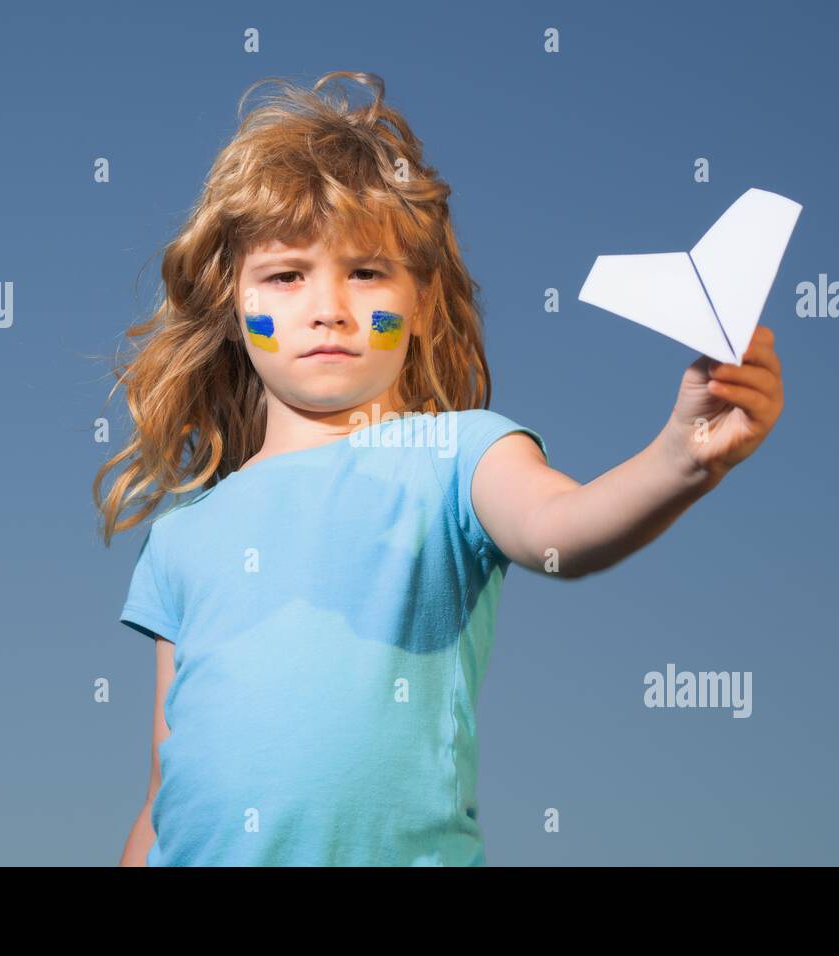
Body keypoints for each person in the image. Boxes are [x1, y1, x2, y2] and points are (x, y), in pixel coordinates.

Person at [94, 70, 784, 866]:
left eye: (366, 271)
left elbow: (563, 528)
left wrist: (680, 459)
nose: (329, 307)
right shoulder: (184, 534)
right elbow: (162, 790)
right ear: (230, 307)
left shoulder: (457, 454)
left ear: (421, 303)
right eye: (285, 275)